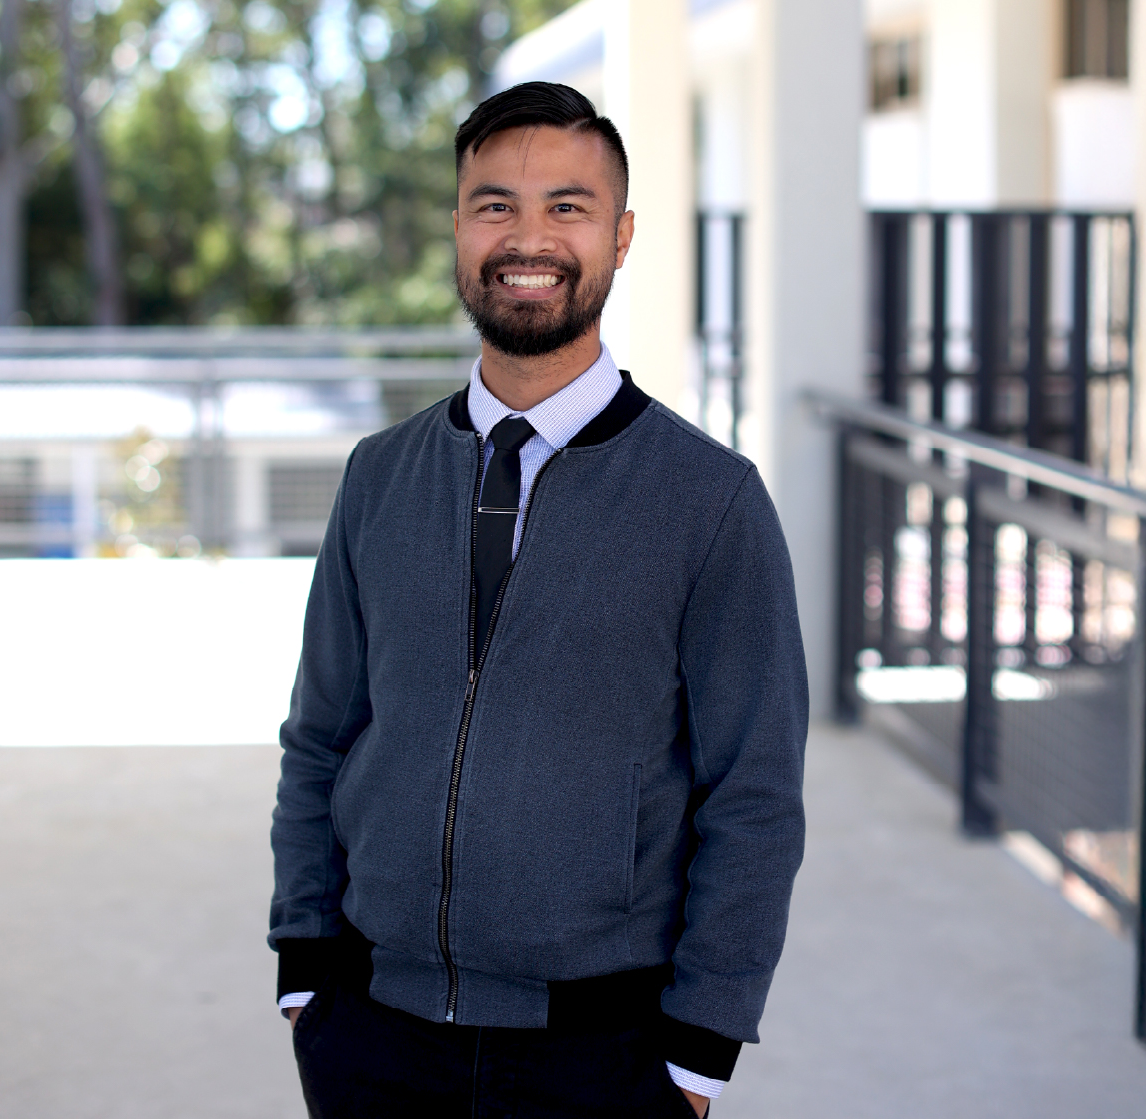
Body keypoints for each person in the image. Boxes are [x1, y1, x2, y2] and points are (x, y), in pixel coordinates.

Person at [269, 81, 807, 1118]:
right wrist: (305, 964)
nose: (528, 239)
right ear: (458, 230)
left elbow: (755, 793)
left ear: (621, 236)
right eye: (495, 206)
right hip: (371, 1034)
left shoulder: (712, 503)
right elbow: (321, 735)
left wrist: (699, 1052)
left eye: (568, 206)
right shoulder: (378, 476)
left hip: (602, 1057)